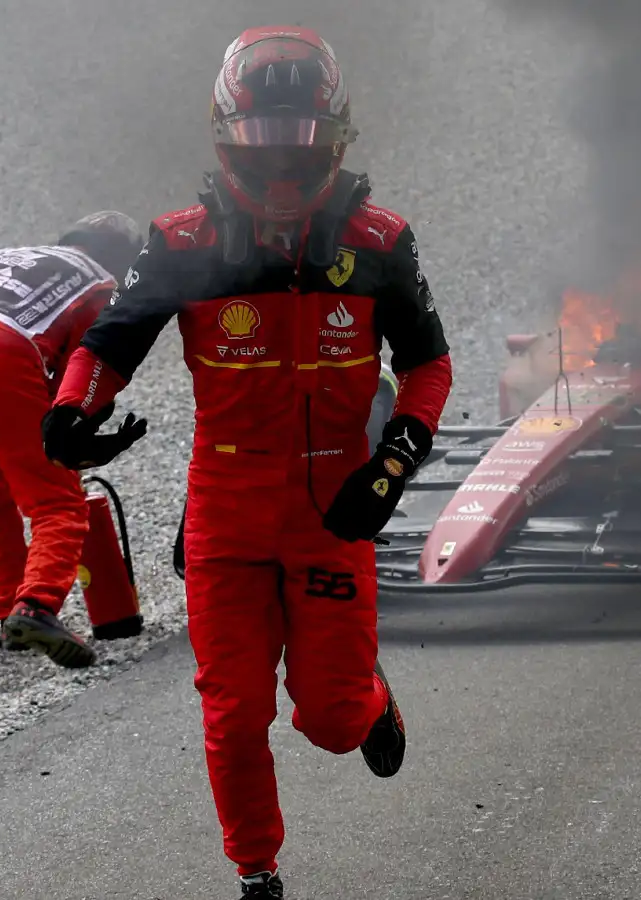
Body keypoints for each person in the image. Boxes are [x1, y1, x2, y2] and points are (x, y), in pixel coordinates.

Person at [41, 26, 452, 898]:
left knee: (331, 721)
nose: (280, 167)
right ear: (227, 133)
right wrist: (76, 406)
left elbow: (427, 365)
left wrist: (397, 461)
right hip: (225, 503)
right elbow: (111, 343)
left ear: (335, 136)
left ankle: (368, 698)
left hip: (336, 503)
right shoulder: (182, 242)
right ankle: (256, 873)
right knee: (232, 715)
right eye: (263, 141)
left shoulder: (380, 243)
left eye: (299, 141)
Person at [0, 211, 148, 669]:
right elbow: (81, 378)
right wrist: (75, 439)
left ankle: (9, 612)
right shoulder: (101, 283)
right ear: (121, 259)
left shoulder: (13, 256)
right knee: (57, 501)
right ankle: (37, 607)